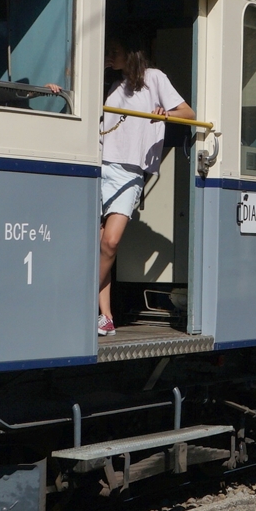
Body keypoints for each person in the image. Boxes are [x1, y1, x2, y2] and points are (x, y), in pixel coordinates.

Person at [96, 35, 194, 337]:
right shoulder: (112, 83)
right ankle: (106, 316)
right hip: (101, 164)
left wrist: (165, 113)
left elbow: (188, 113)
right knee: (97, 246)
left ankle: (77, 300)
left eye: (116, 49)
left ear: (132, 50)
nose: (111, 54)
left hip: (129, 172)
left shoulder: (154, 78)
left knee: (110, 243)